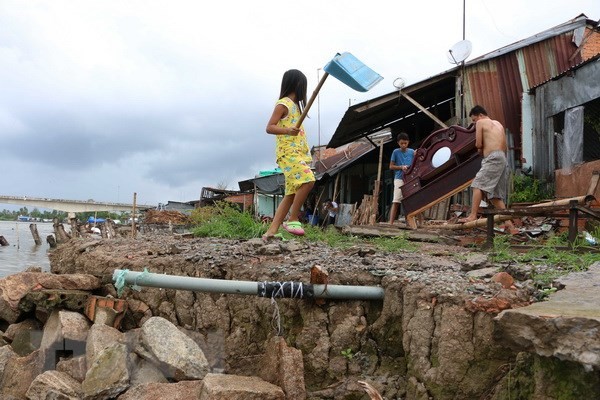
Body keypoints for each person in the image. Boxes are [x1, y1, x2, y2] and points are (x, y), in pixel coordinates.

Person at [262, 69, 315, 241]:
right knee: (308, 180)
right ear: (298, 84)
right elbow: (270, 127)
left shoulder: (297, 107)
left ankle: (271, 231)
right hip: (288, 153)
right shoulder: (283, 104)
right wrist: (287, 130)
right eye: (304, 86)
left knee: (290, 194)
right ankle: (292, 219)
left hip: (298, 153)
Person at [458, 105, 516, 231]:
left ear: (480, 115)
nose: (474, 123)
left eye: (474, 120)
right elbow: (504, 145)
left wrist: (480, 150)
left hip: (493, 157)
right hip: (502, 157)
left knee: (477, 185)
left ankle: (473, 215)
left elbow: (478, 144)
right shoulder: (498, 124)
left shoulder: (481, 123)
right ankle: (510, 226)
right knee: (495, 196)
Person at [388, 132, 415, 224]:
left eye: (405, 143)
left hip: (410, 178)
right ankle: (390, 224)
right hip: (399, 178)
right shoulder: (395, 152)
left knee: (413, 200)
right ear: (398, 143)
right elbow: (391, 166)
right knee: (396, 201)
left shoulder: (412, 152)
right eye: (401, 143)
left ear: (408, 142)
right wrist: (401, 167)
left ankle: (419, 223)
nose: (403, 145)